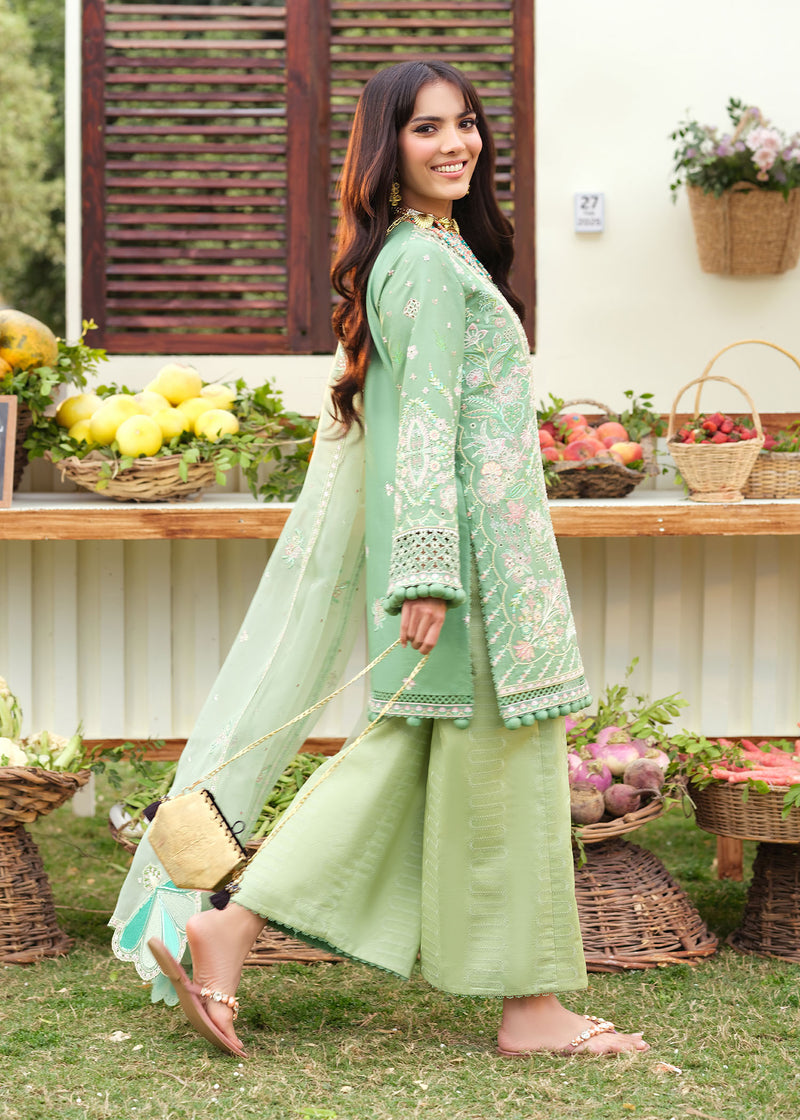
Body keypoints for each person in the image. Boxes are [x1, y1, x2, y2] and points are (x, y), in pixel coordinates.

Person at [111, 59, 649, 1060]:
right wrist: (428, 573)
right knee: (503, 772)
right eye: (426, 129)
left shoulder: (425, 256)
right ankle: (530, 1011)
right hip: (473, 578)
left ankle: (229, 926)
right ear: (384, 149)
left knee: (401, 760)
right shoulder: (424, 266)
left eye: (467, 124)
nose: (455, 143)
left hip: (486, 567)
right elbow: (420, 428)